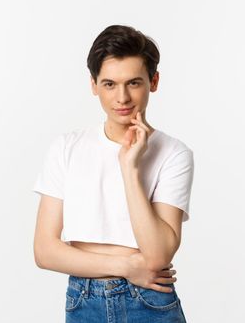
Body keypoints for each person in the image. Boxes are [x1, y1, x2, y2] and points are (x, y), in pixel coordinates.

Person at [33, 24, 194, 322]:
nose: (122, 97)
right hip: (84, 300)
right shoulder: (67, 148)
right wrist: (127, 266)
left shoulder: (174, 153)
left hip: (149, 301)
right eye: (109, 84)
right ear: (93, 85)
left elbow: (158, 256)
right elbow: (45, 251)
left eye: (133, 83)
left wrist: (130, 168)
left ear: (153, 81)